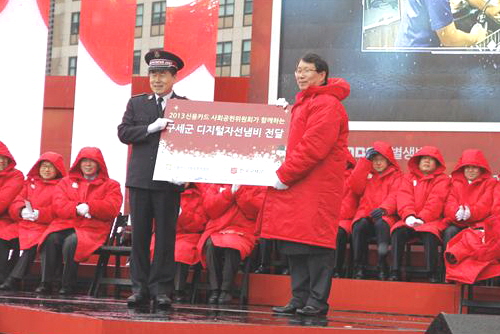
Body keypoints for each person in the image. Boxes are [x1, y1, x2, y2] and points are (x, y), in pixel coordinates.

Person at [259, 53, 350, 316]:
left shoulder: (327, 105)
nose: (300, 75)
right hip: (299, 187)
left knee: (316, 247)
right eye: (298, 70)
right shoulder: (302, 104)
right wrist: (277, 118)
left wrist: (284, 175)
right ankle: (299, 299)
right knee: (294, 243)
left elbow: (313, 147)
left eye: (307, 71)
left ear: (322, 75)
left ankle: (317, 301)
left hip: (315, 188)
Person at [117, 50, 186, 307]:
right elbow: (123, 132)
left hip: (169, 183)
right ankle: (139, 288)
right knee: (140, 237)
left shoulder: (185, 105)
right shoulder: (137, 103)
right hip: (140, 180)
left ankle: (161, 290)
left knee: (166, 238)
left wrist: (186, 175)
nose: (157, 79)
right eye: (153, 74)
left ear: (174, 77)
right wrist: (149, 128)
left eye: (163, 75)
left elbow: (192, 143)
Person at [36, 147, 122, 295]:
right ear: (78, 164)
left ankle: (68, 284)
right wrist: (76, 208)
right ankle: (46, 282)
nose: (88, 165)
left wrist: (91, 207)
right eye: (84, 161)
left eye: (92, 162)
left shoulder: (111, 185)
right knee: (50, 238)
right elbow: (58, 205)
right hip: (65, 224)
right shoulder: (65, 182)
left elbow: (112, 208)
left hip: (92, 229)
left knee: (72, 242)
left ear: (99, 164)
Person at [0, 152, 66, 291]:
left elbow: (59, 208)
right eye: (43, 166)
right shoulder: (29, 183)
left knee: (33, 243)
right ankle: (3, 275)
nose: (46, 170)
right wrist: (20, 210)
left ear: (57, 169)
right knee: (3, 236)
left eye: (50, 167)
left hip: (45, 225)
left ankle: (14, 279)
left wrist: (40, 214)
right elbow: (17, 200)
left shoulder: (62, 186)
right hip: (24, 222)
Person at [389, 146, 451, 283]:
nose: (427, 162)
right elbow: (404, 197)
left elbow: (436, 201)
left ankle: (432, 273)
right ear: (418, 161)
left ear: (437, 163)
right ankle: (395, 271)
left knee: (429, 234)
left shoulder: (443, 180)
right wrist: (408, 215)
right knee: (397, 231)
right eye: (424, 158)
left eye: (430, 159)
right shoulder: (408, 178)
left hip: (431, 221)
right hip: (409, 219)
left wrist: (422, 218)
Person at [197, 184, 264, 304]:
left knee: (232, 245)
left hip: (243, 230)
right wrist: (229, 192)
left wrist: (240, 191)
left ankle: (226, 290)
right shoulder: (217, 183)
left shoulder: (258, 184)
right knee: (210, 245)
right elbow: (211, 209)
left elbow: (256, 210)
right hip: (217, 229)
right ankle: (215, 289)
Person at [349, 142, 402, 280]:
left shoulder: (397, 176)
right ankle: (358, 267)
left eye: (381, 159)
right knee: (359, 225)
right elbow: (355, 187)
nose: (378, 163)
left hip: (385, 215)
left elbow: (395, 195)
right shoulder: (366, 174)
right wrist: (364, 163)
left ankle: (382, 265)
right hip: (366, 214)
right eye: (374, 160)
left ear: (388, 160)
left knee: (381, 225)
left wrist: (384, 209)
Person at [442, 149, 496, 249]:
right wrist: (455, 211)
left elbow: (485, 204)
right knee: (449, 232)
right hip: (458, 222)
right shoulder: (455, 183)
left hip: (479, 224)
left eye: (474, 167)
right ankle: (446, 263)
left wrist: (471, 212)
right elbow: (450, 203)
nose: (470, 170)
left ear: (481, 169)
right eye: (467, 167)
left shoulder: (490, 183)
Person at [172, 182, 208, 302]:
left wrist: (182, 215)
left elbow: (199, 223)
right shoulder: (166, 194)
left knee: (181, 251)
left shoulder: (199, 196)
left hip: (190, 236)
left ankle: (178, 289)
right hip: (167, 235)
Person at [395, 0, 487, 47]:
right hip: (418, 58)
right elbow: (450, 39)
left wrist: (487, 7)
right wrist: (476, 37)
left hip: (409, 50)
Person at [0, 141, 24, 283]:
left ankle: (2, 276)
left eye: (4, 158)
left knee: (1, 238)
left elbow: (3, 201)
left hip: (9, 220)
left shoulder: (16, 176)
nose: (1, 161)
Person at [333, 150, 359, 278]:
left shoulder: (352, 179)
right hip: (327, 219)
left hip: (344, 220)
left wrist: (330, 216)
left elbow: (349, 207)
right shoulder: (328, 178)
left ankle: (336, 269)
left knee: (338, 232)